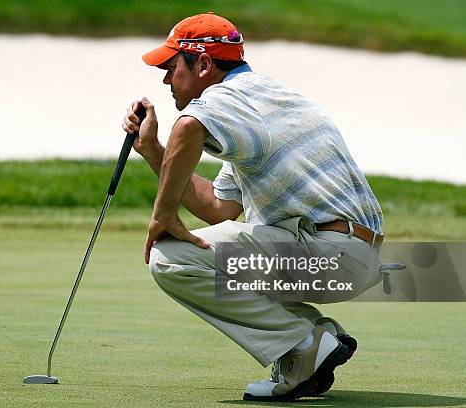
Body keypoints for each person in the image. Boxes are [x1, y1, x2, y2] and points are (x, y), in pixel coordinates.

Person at [121, 12, 384, 401]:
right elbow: (219, 208)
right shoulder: (264, 100)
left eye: (172, 66)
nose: (164, 79)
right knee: (220, 257)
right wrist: (154, 151)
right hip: (351, 257)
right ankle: (320, 334)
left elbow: (188, 126)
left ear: (205, 65)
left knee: (171, 256)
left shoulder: (226, 98)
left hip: (325, 252)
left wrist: (162, 217)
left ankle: (301, 347)